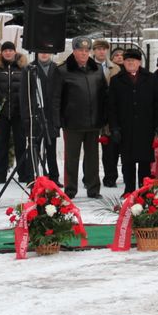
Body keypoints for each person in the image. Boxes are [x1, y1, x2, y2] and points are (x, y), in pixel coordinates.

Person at [108, 48, 158, 194]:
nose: (130, 63)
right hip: (125, 127)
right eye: (127, 61)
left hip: (146, 127)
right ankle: (129, 189)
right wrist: (114, 127)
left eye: (133, 60)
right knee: (127, 161)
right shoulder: (116, 80)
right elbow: (112, 107)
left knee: (145, 161)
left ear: (139, 62)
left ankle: (144, 191)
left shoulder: (150, 78)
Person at [60, 37, 107, 199]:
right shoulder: (63, 70)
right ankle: (70, 190)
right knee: (71, 159)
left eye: (87, 51)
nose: (84, 53)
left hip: (93, 122)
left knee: (93, 159)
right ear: (74, 51)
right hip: (72, 122)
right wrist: (59, 119)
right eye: (80, 50)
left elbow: (104, 94)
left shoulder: (97, 69)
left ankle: (93, 189)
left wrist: (104, 116)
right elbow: (56, 98)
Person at [0, 41, 28, 184]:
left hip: (19, 113)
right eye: (5, 51)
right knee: (1, 146)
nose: (8, 53)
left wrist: (26, 111)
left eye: (10, 50)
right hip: (1, 114)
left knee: (21, 145)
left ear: (15, 51)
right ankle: (0, 176)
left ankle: (23, 175)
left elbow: (29, 92)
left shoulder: (23, 68)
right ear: (1, 53)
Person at [20, 52, 63, 184]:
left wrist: (59, 117)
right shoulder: (29, 69)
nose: (44, 54)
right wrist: (26, 117)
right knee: (34, 148)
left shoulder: (57, 68)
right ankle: (31, 177)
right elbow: (24, 95)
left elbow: (61, 94)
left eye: (46, 52)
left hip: (52, 114)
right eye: (41, 52)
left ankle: (54, 177)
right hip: (35, 114)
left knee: (51, 148)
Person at [93, 39, 120, 188]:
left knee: (110, 148)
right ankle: (90, 178)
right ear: (94, 51)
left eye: (104, 49)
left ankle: (110, 177)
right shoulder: (87, 66)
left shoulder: (115, 68)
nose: (101, 51)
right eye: (98, 49)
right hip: (92, 111)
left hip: (109, 113)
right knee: (90, 147)